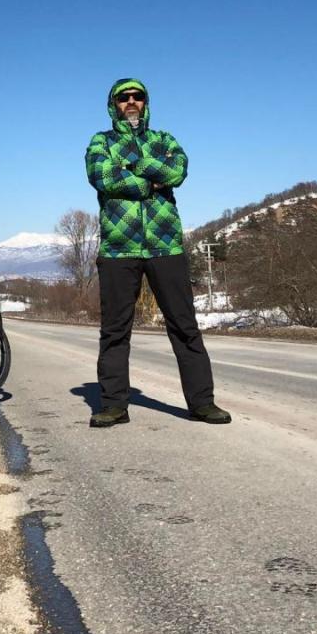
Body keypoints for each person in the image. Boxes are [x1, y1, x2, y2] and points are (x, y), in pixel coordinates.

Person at [84, 77, 231, 428]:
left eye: (137, 97)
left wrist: (134, 166)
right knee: (115, 330)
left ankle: (202, 404)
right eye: (124, 98)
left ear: (146, 103)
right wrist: (152, 177)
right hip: (119, 250)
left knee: (185, 327)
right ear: (113, 105)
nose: (131, 102)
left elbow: (178, 170)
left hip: (166, 247)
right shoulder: (99, 141)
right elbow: (103, 177)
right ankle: (114, 406)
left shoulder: (164, 139)